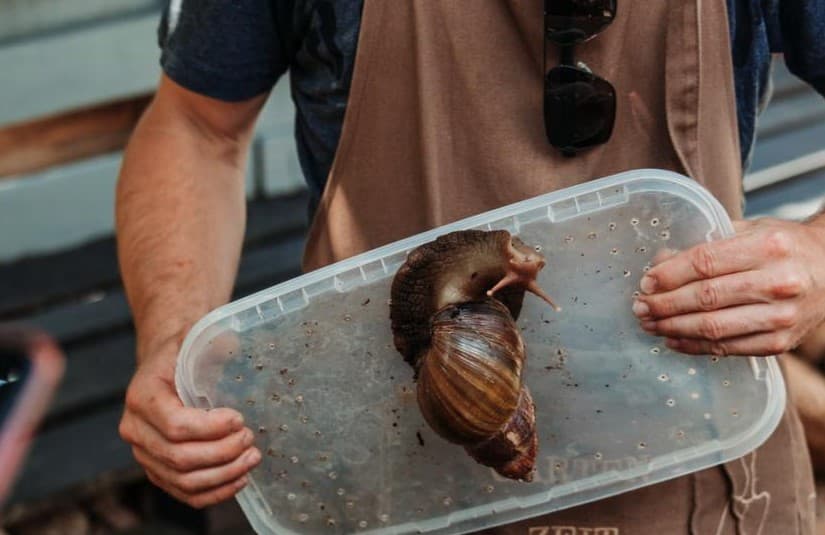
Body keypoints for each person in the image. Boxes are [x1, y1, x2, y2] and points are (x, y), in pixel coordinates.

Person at [116, 0, 825, 532]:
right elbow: (196, 125)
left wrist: (818, 257)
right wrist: (172, 336)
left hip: (694, 471)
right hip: (388, 471)